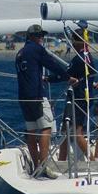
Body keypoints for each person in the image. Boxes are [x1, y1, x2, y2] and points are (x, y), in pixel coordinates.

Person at [15, 24, 74, 178]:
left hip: (23, 97)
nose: (41, 38)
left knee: (32, 131)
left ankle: (36, 167)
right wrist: (68, 78)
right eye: (39, 35)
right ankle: (43, 166)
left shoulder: (20, 52)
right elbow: (52, 65)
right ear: (32, 37)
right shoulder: (36, 49)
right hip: (36, 96)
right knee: (46, 128)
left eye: (42, 35)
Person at [47, 27, 98, 162]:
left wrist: (47, 79)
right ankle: (61, 160)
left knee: (76, 132)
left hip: (78, 98)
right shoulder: (87, 56)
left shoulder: (79, 59)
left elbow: (66, 75)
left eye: (73, 40)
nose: (71, 43)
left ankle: (92, 160)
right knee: (66, 131)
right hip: (84, 97)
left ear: (78, 41)